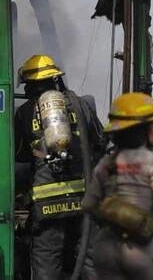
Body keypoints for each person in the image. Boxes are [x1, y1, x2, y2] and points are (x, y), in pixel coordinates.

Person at [14, 54, 105, 280]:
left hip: (47, 202)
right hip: (84, 198)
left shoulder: (25, 112)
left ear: (31, 86)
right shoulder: (80, 103)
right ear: (56, 79)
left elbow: (20, 156)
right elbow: (99, 141)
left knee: (47, 260)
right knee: (89, 258)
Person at [82, 93, 153, 279]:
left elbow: (88, 204)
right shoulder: (152, 162)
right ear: (142, 130)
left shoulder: (106, 163)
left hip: (105, 251)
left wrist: (114, 212)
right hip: (141, 249)